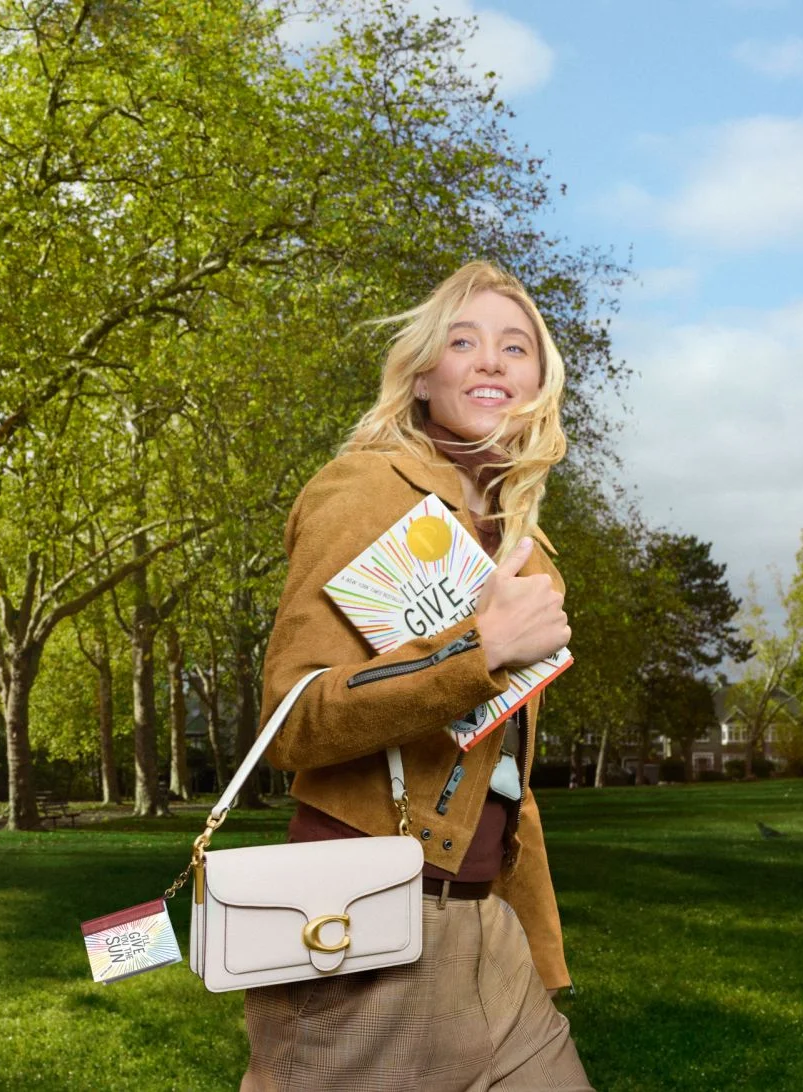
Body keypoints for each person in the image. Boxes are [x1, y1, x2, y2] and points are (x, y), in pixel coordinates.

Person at [243, 262, 593, 1091]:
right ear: (422, 374)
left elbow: (494, 770)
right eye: (462, 342)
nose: (491, 362)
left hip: (490, 937)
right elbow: (290, 723)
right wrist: (479, 651)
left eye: (516, 347)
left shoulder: (526, 546)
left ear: (539, 379)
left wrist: (530, 932)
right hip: (364, 930)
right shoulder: (362, 490)